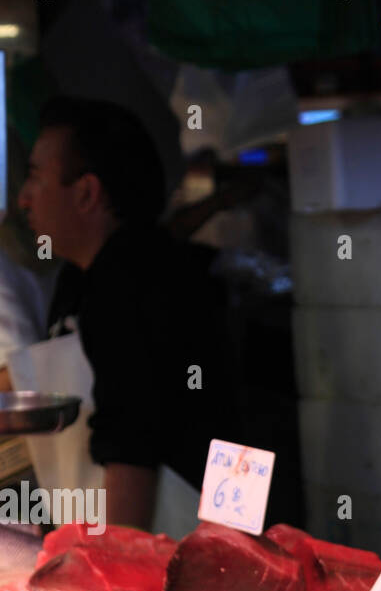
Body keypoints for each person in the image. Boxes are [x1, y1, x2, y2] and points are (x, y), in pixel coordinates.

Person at [16, 97, 240, 529]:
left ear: (86, 193)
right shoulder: (82, 278)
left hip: (177, 539)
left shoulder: (132, 280)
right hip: (122, 526)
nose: (23, 199)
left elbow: (131, 441)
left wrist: (116, 577)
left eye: (35, 178)